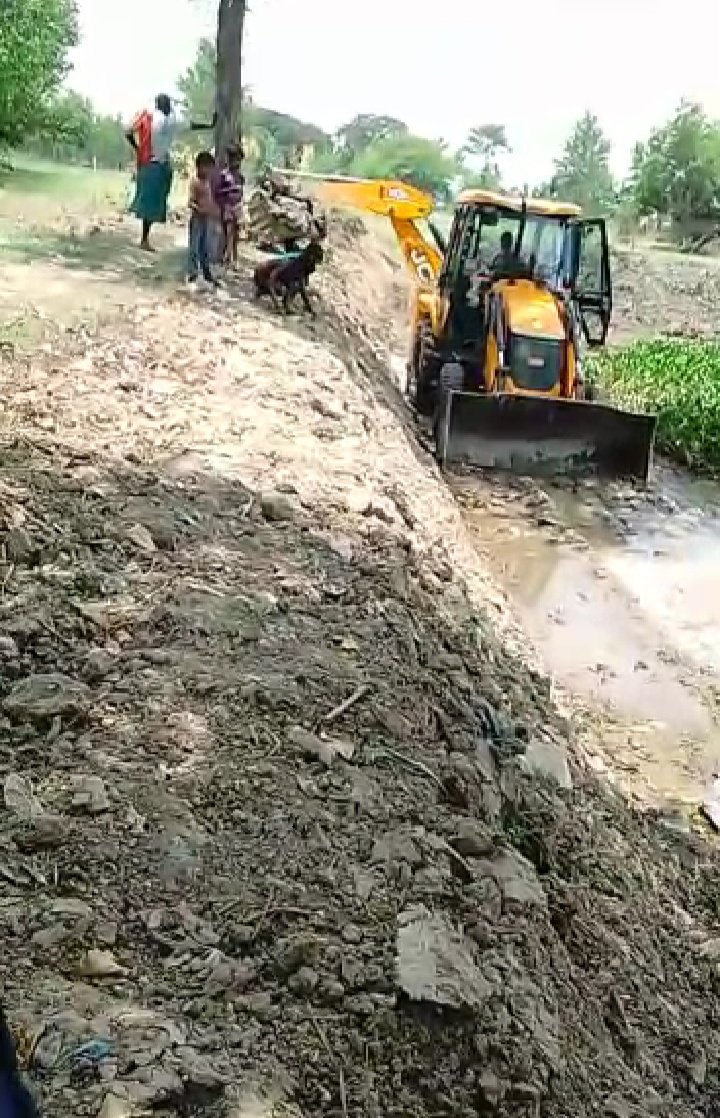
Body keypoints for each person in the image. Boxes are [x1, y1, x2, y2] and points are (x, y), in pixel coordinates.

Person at [125, 94, 216, 252]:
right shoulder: (150, 117)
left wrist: (209, 125)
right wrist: (139, 148)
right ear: (160, 105)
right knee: (149, 202)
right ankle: (144, 238)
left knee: (157, 200)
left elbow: (190, 125)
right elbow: (128, 131)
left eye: (168, 104)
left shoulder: (171, 119)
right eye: (165, 104)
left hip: (162, 164)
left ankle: (145, 237)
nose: (168, 106)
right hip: (151, 163)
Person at [187, 151, 220, 289]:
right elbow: (190, 202)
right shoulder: (195, 182)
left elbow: (211, 199)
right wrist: (198, 209)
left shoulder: (208, 182)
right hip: (197, 219)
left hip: (207, 219)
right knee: (194, 246)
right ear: (200, 167)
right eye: (207, 168)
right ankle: (194, 272)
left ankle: (206, 272)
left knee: (205, 247)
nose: (209, 171)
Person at [213, 145, 245, 267]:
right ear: (229, 159)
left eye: (239, 160)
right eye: (234, 159)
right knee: (229, 233)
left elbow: (241, 192)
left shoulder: (240, 176)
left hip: (237, 206)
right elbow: (218, 192)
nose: (236, 163)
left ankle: (235, 259)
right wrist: (231, 189)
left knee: (236, 235)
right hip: (227, 206)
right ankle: (227, 258)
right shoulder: (224, 175)